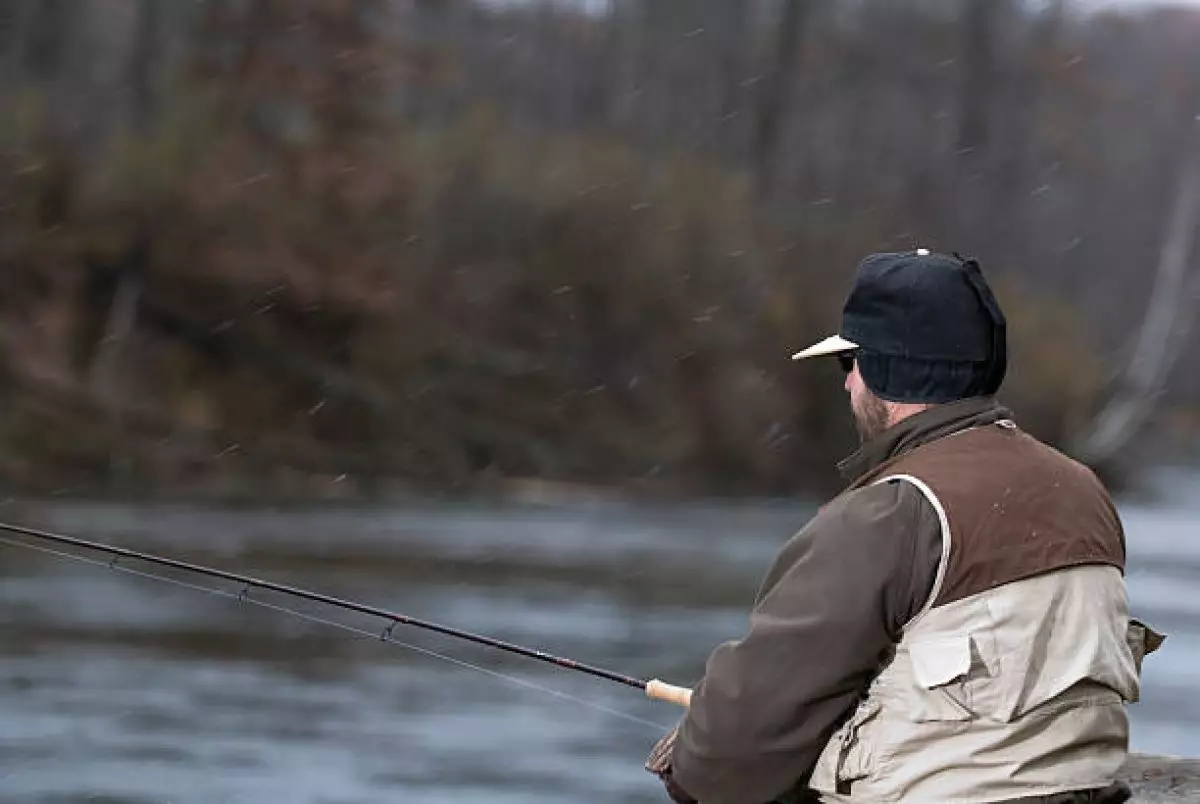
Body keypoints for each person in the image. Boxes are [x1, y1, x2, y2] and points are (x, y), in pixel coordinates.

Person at [645, 249, 1163, 803]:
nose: (846, 385)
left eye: (850, 364)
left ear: (885, 368)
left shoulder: (889, 512)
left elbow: (731, 753)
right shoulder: (1084, 491)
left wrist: (691, 756)